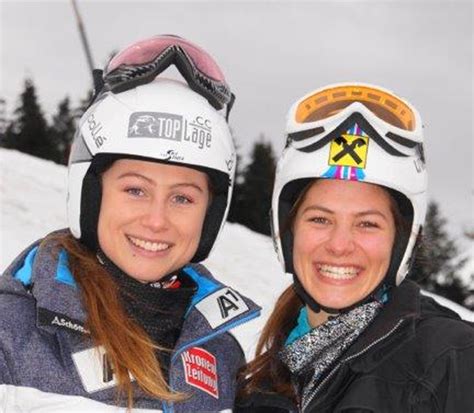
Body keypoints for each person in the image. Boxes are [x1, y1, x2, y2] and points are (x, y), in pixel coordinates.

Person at [0, 35, 260, 412]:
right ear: (91, 193)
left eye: (183, 198)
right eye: (136, 190)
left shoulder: (221, 351)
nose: (157, 221)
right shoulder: (12, 334)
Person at [237, 83, 474, 412]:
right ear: (287, 230)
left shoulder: (453, 360)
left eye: (367, 224)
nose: (339, 245)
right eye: (320, 219)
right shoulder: (264, 382)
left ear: (402, 241)